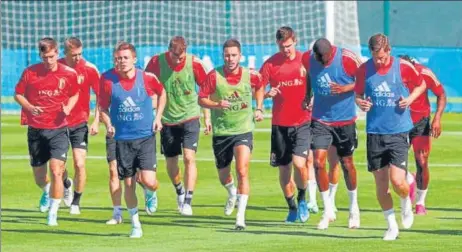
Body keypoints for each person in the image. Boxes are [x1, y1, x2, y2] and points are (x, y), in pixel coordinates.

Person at [355, 33, 426, 241]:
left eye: (383, 58)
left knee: (398, 181)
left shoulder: (403, 67)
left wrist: (410, 99)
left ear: (389, 51)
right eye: (375, 57)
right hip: (375, 133)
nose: (379, 61)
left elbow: (421, 85)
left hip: (398, 131)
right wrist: (360, 103)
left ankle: (406, 202)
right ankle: (391, 226)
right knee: (381, 185)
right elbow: (357, 94)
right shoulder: (363, 70)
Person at [99, 41, 166, 238]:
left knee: (149, 181)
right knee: (128, 183)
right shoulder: (107, 80)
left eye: (125, 58)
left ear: (134, 59)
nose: (121, 62)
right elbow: (102, 107)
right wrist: (108, 124)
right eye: (118, 59)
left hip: (145, 137)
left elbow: (162, 94)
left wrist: (158, 117)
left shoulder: (147, 78)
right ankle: (135, 224)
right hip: (122, 140)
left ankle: (151, 192)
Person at [198, 38, 264, 230]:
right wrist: (217, 104)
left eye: (234, 55)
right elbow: (202, 99)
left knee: (242, 170)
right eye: (227, 55)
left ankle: (240, 218)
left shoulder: (250, 75)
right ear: (223, 56)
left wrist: (259, 108)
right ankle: (231, 192)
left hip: (243, 130)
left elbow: (260, 86)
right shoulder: (214, 76)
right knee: (223, 175)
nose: (230, 58)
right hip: (222, 132)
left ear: (240, 56)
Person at [14, 37, 80, 226]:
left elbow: (75, 93)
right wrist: (29, 106)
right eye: (45, 57)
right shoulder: (30, 72)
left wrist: (68, 107)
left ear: (57, 54)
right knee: (40, 178)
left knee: (56, 170)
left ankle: (53, 212)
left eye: (52, 56)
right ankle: (48, 189)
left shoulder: (68, 73)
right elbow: (17, 93)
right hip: (36, 130)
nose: (49, 61)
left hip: (58, 129)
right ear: (40, 55)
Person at [145, 36, 211, 216]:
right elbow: (146, 85)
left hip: (190, 116)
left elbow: (205, 91)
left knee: (189, 158)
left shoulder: (194, 64)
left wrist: (207, 117)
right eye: (175, 57)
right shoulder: (156, 62)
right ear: (169, 51)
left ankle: (188, 201)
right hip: (167, 120)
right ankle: (179, 190)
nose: (178, 60)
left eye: (181, 57)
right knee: (171, 163)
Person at [302, 38, 362, 229]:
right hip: (320, 119)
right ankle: (327, 210)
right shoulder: (309, 59)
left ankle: (354, 208)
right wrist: (307, 95)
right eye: (319, 59)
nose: (322, 62)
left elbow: (364, 80)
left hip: (345, 121)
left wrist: (347, 88)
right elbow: (310, 76)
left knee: (347, 164)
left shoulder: (347, 59)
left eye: (325, 59)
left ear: (330, 52)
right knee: (319, 162)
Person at [259, 26, 311, 223]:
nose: (286, 50)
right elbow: (258, 89)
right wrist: (264, 95)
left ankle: (303, 198)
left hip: (302, 122)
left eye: (288, 46)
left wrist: (312, 98)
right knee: (284, 171)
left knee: (300, 164)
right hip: (280, 125)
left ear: (295, 41)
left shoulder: (305, 60)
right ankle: (291, 207)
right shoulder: (270, 64)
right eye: (282, 47)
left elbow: (315, 83)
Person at [56, 37, 100, 215]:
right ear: (65, 53)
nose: (77, 58)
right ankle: (67, 183)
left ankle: (76, 201)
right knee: (58, 167)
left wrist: (96, 120)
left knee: (80, 164)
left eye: (80, 54)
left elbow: (101, 97)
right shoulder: (55, 67)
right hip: (57, 124)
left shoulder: (89, 69)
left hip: (80, 123)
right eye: (74, 55)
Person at [399, 55, 447, 215]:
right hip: (398, 123)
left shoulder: (425, 73)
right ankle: (410, 181)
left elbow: (441, 94)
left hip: (420, 122)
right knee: (397, 164)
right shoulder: (392, 75)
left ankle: (420, 202)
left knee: (421, 161)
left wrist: (437, 118)